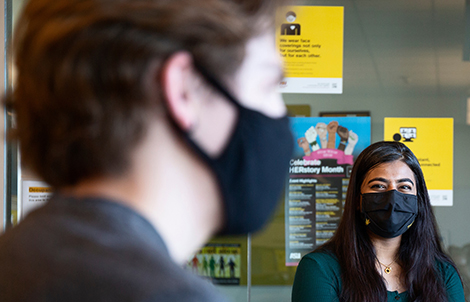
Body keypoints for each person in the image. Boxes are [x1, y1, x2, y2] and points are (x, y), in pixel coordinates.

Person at [0, 0, 293, 301]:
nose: (281, 114)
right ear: (184, 90)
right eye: (268, 86)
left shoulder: (14, 261)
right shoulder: (173, 295)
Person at [292, 141, 464, 302]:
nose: (393, 198)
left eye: (404, 187)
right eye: (378, 186)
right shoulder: (320, 269)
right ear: (357, 200)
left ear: (418, 201)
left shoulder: (443, 273)